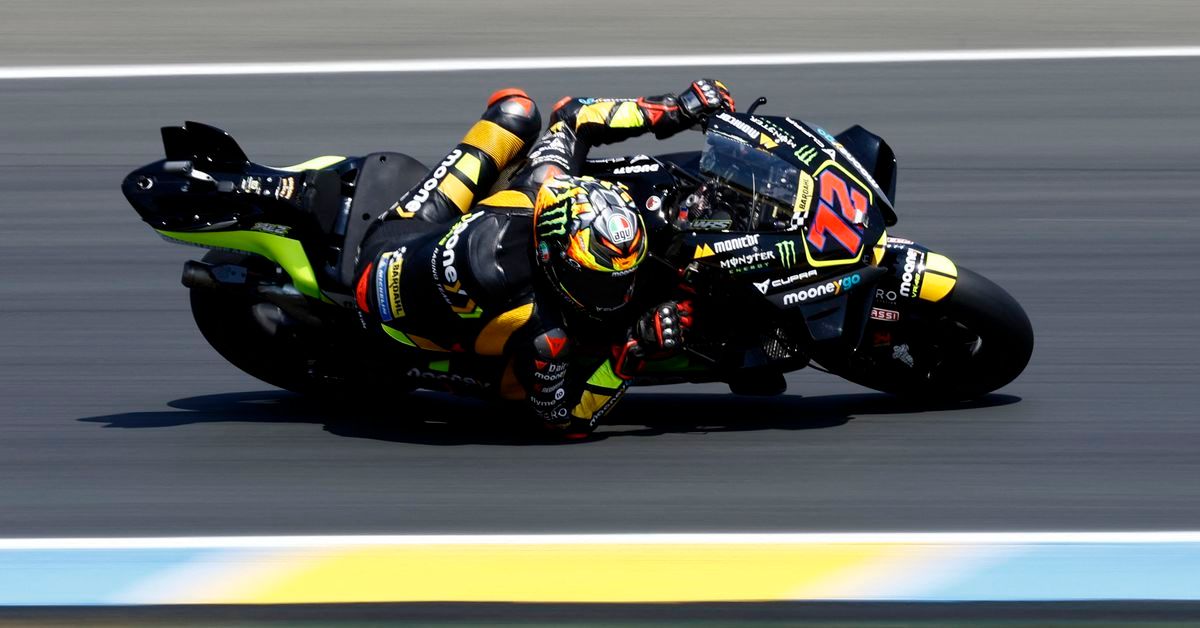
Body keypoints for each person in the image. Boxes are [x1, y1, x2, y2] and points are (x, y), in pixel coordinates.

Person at [354, 80, 734, 436]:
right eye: (598, 281)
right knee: (518, 391)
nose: (620, 291)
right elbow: (563, 419)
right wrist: (630, 353)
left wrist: (672, 110)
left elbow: (573, 114)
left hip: (414, 236)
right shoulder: (545, 334)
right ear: (553, 259)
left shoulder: (542, 186)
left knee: (516, 109)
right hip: (388, 273)